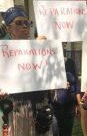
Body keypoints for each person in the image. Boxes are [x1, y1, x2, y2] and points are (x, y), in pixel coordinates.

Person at [0, 7, 53, 135]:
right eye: (18, 23)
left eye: (26, 23)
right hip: (17, 112)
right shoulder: (3, 52)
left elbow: (48, 78)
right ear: (8, 28)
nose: (24, 26)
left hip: (41, 110)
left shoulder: (41, 49)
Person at [50, 42, 80, 136]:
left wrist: (79, 104)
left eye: (63, 43)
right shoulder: (46, 64)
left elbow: (76, 84)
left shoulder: (70, 62)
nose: (61, 45)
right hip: (53, 107)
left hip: (69, 108)